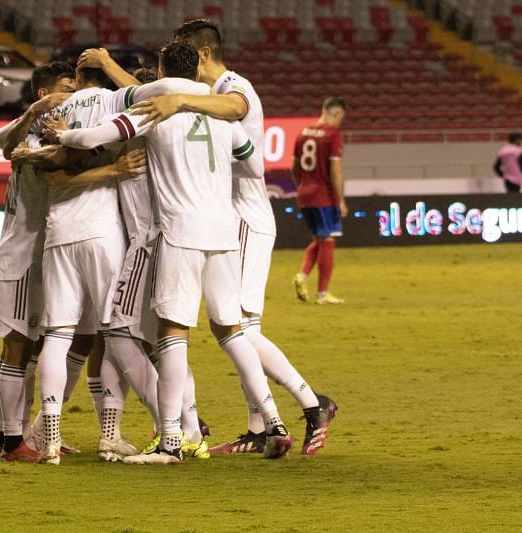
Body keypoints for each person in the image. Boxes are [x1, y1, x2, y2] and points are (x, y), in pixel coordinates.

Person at [59, 41, 294, 464]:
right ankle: (274, 422)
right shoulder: (219, 109)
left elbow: (95, 136)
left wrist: (61, 134)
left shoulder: (157, 107)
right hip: (223, 233)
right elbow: (254, 166)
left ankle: (172, 440)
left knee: (171, 334)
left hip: (180, 233)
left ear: (164, 67)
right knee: (233, 330)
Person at [112, 19, 336, 457]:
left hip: (243, 218)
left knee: (241, 328)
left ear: (200, 56)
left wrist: (186, 120)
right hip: (221, 218)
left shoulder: (236, 91)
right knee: (228, 328)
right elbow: (160, 96)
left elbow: (250, 160)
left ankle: (312, 405)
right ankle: (261, 429)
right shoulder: (204, 96)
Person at [0, 62, 76, 462]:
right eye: (64, 88)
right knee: (17, 347)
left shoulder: (61, 134)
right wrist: (34, 115)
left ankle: (23, 435)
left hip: (47, 256)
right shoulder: (27, 136)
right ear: (44, 93)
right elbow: (3, 143)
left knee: (36, 348)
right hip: (21, 256)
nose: (71, 95)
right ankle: (7, 443)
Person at [291, 97, 348, 306]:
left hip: (304, 194)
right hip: (324, 196)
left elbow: (293, 167)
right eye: (341, 117)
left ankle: (302, 276)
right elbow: (335, 169)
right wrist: (340, 199)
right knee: (328, 241)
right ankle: (322, 293)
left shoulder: (302, 133)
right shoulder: (332, 135)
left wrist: (303, 185)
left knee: (319, 239)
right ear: (336, 113)